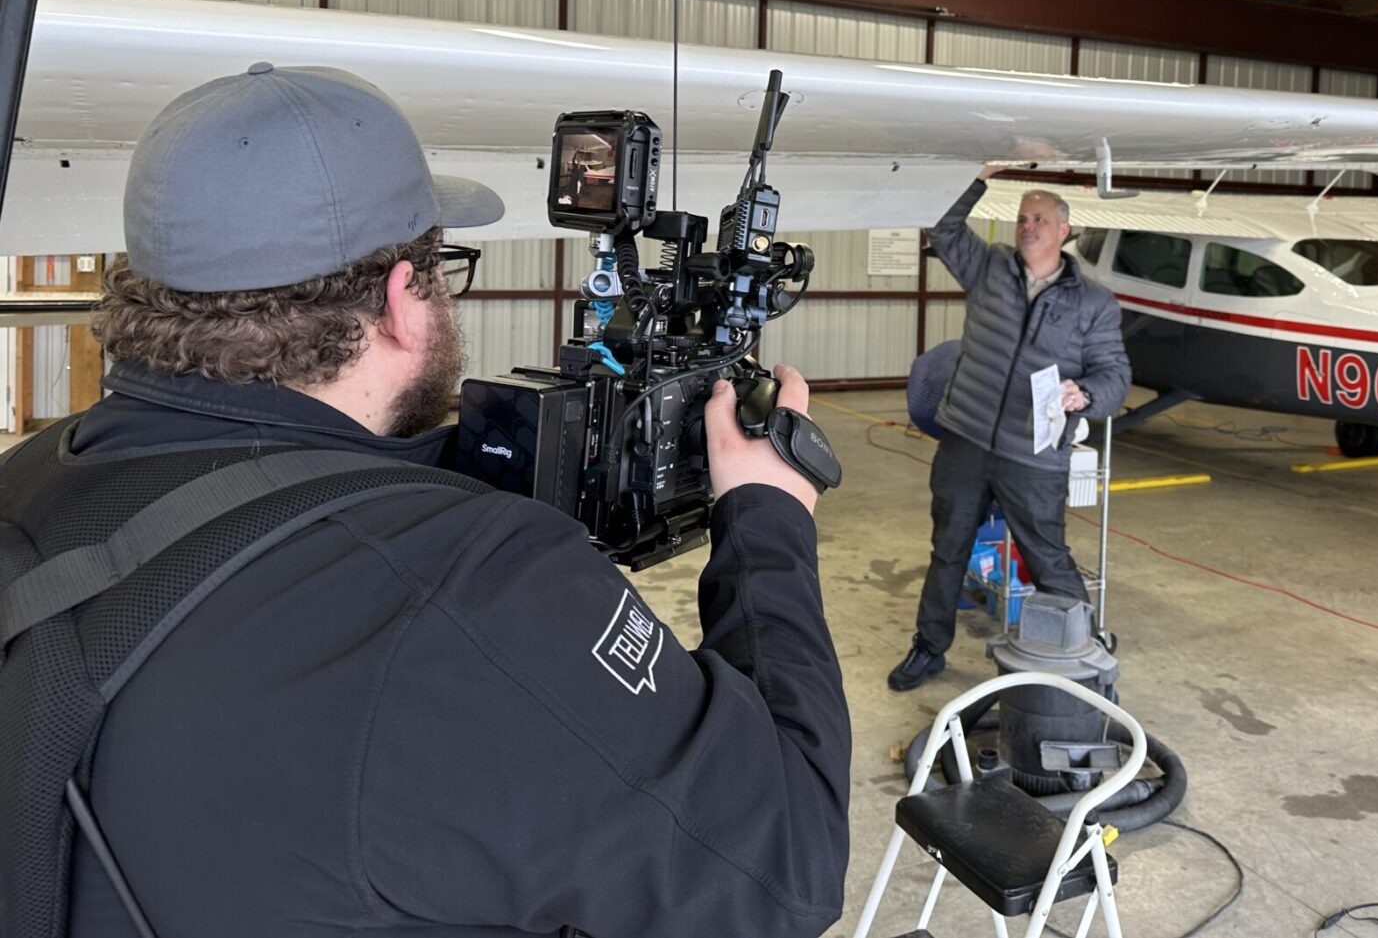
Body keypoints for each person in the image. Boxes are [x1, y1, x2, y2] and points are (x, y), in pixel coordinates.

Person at [0, 64, 850, 937]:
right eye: (444, 266)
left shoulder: (28, 481)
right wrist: (767, 518)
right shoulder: (474, 587)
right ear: (408, 299)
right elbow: (786, 864)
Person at [889, 167, 1131, 692]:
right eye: (1022, 217)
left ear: (1064, 230)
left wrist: (1084, 395)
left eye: (1040, 218)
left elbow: (1116, 376)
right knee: (947, 549)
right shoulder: (989, 267)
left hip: (1035, 457)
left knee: (1049, 559)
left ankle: (1083, 655)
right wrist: (976, 180)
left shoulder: (1092, 302)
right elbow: (944, 228)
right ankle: (928, 649)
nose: (1028, 226)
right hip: (967, 441)